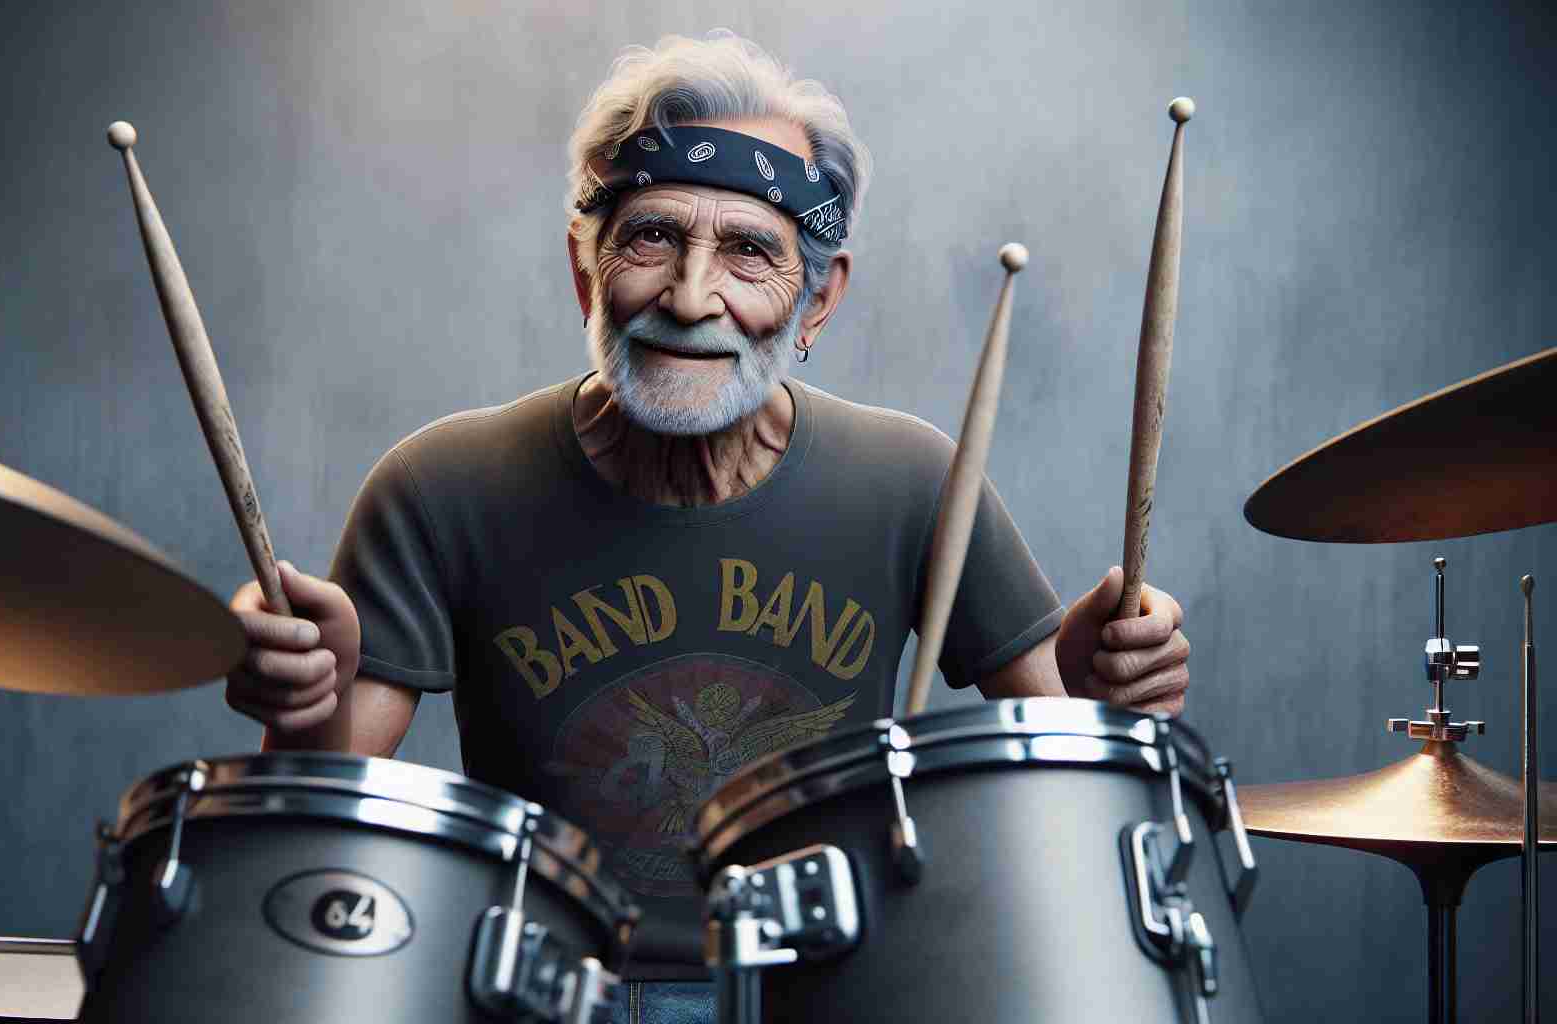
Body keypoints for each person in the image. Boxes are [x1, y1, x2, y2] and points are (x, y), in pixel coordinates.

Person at [223, 32, 1190, 1024]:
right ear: (584, 269)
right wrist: (303, 694)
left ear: (818, 299)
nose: (692, 297)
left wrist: (1094, 694)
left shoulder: (915, 481)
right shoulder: (441, 486)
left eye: (750, 252)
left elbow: (1067, 782)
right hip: (545, 998)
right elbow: (321, 820)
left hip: (828, 994)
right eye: (650, 238)